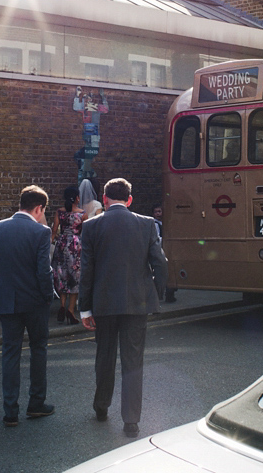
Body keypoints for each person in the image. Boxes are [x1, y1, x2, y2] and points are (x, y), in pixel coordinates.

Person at [80, 178, 168, 438]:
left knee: (104, 357)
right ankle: (131, 421)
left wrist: (85, 309)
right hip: (137, 302)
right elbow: (160, 264)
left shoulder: (91, 226)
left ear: (104, 199)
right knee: (133, 361)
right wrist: (156, 294)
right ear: (130, 200)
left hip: (103, 303)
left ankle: (101, 407)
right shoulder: (146, 224)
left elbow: (87, 271)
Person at [0, 185, 56, 427]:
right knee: (38, 349)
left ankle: (10, 411)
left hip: (7, 300)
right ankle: (36, 404)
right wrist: (48, 297)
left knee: (10, 353)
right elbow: (44, 270)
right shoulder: (41, 232)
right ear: (39, 208)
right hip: (35, 302)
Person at [51, 185, 87, 325]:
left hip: (62, 244)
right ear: (77, 197)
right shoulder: (82, 214)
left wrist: (51, 243)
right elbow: (86, 233)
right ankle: (71, 310)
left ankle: (62, 305)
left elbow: (54, 230)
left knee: (61, 275)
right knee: (75, 277)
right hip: (76, 246)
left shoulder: (59, 212)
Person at [153, 203, 177, 303]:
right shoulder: (155, 224)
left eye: (160, 211)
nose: (158, 214)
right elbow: (157, 238)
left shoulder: (165, 223)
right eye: (156, 212)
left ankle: (169, 294)